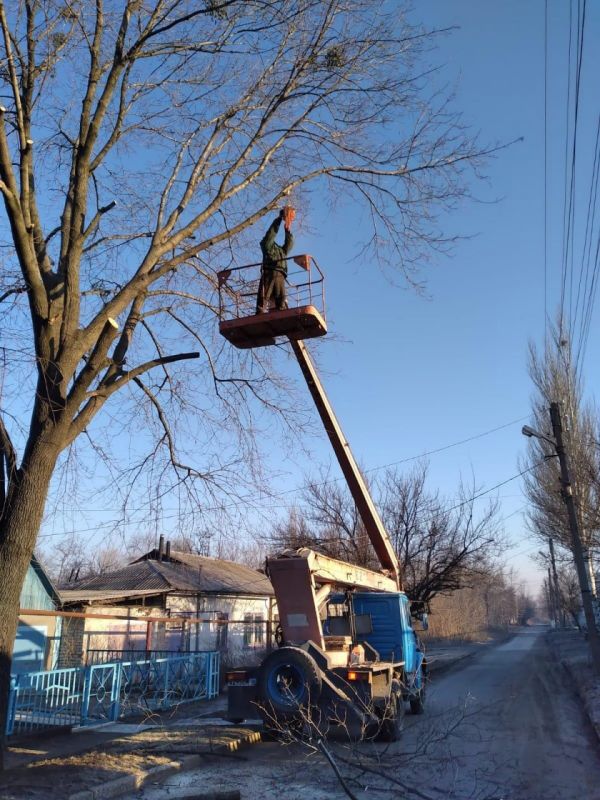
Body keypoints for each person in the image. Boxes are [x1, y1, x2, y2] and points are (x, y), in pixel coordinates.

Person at [256, 208, 294, 313]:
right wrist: (279, 219)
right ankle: (259, 311)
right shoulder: (266, 245)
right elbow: (271, 234)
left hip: (280, 274)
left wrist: (287, 231)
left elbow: (289, 245)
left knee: (280, 298)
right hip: (269, 272)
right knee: (263, 296)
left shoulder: (281, 251)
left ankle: (281, 310)